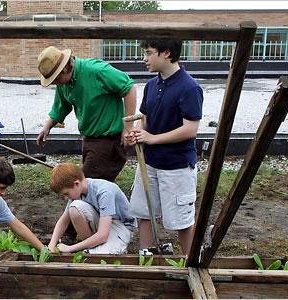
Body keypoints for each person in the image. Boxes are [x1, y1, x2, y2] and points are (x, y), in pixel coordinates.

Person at [126, 39, 203, 256]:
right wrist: (139, 135)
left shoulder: (189, 88)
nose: (144, 58)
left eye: (149, 53)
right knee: (144, 212)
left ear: (166, 53)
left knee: (181, 220)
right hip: (149, 162)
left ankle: (191, 263)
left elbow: (190, 129)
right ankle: (146, 257)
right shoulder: (152, 85)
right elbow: (145, 119)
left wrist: (152, 138)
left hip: (176, 166)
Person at [36, 46, 137, 182]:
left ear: (65, 68)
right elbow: (61, 107)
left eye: (55, 79)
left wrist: (128, 127)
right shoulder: (64, 84)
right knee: (93, 187)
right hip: (89, 139)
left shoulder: (97, 71)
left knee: (86, 186)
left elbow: (129, 88)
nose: (55, 83)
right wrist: (47, 128)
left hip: (109, 140)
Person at [47, 163, 135, 254]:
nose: (66, 198)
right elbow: (63, 221)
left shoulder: (104, 191)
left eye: (66, 194)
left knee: (99, 256)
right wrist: (51, 245)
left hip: (119, 226)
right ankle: (93, 246)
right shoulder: (78, 192)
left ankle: (108, 247)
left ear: (76, 183)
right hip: (102, 223)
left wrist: (71, 248)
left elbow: (103, 235)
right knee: (74, 208)